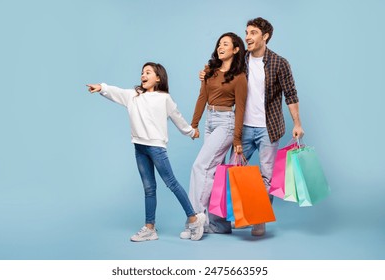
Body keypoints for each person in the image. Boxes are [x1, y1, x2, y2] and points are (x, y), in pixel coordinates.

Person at [200, 18, 305, 237]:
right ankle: (228, 220)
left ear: (265, 36)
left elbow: (291, 94)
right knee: (231, 172)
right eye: (246, 32)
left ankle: (258, 220)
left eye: (253, 32)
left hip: (269, 128)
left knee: (266, 177)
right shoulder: (241, 61)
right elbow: (220, 72)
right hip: (243, 128)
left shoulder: (279, 62)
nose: (247, 36)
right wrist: (206, 73)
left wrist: (297, 123)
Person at [86, 62, 206, 242]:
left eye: (148, 72)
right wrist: (101, 87)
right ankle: (150, 228)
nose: (143, 74)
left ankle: (194, 219)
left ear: (158, 78)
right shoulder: (133, 96)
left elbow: (178, 119)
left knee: (171, 183)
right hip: (139, 147)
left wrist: (191, 132)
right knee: (149, 188)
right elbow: (116, 91)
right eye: (142, 72)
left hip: (156, 147)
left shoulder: (164, 98)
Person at [180, 32, 248, 238]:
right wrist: (194, 124)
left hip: (226, 123)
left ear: (235, 50)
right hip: (210, 121)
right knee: (212, 173)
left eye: (225, 44)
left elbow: (241, 109)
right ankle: (214, 223)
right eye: (219, 44)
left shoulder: (239, 77)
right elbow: (202, 97)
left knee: (200, 167)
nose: (220, 47)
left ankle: (196, 219)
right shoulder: (209, 71)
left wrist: (237, 139)